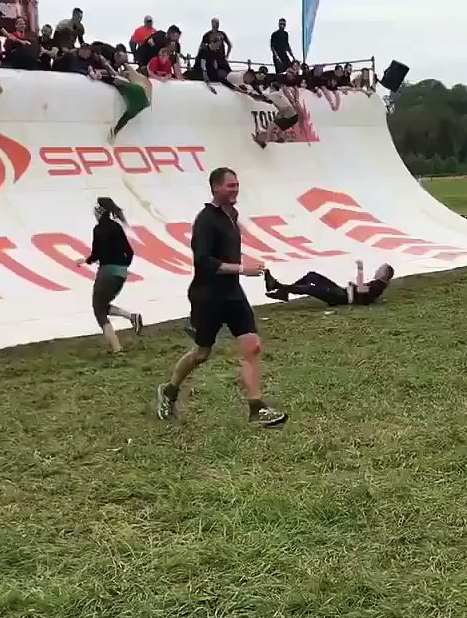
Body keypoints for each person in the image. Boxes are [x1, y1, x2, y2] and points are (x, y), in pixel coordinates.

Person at [155, 168, 288, 427]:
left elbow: (227, 257)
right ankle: (169, 390)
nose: (235, 189)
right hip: (207, 296)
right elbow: (203, 262)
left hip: (232, 293)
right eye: (230, 186)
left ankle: (256, 409)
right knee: (201, 354)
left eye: (237, 184)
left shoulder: (232, 215)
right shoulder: (205, 220)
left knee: (253, 346)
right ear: (215, 188)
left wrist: (245, 268)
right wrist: (241, 268)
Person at [75, 197, 144, 353]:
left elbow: (96, 254)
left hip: (107, 271)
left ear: (99, 211)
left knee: (98, 309)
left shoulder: (98, 229)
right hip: (121, 273)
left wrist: (84, 260)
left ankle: (117, 348)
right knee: (103, 304)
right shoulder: (116, 227)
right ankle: (132, 317)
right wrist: (123, 266)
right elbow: (130, 252)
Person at [263, 261, 394, 307]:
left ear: (384, 274)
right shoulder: (377, 284)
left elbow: (361, 290)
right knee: (312, 276)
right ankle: (283, 291)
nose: (377, 270)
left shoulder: (378, 286)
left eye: (380, 269)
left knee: (310, 288)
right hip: (342, 292)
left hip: (342, 298)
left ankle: (277, 286)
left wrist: (359, 270)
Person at [252, 81, 300, 147]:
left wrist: (253, 92)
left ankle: (266, 143)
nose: (269, 90)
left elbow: (263, 97)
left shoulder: (274, 94)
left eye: (270, 88)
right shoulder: (280, 94)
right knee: (280, 130)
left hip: (289, 116)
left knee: (271, 127)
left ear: (273, 88)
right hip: (294, 117)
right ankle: (280, 140)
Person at [109, 66, 152, 141]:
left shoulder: (137, 79)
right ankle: (115, 131)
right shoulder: (147, 83)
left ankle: (115, 131)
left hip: (138, 93)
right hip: (142, 103)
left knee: (120, 84)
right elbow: (148, 102)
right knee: (127, 116)